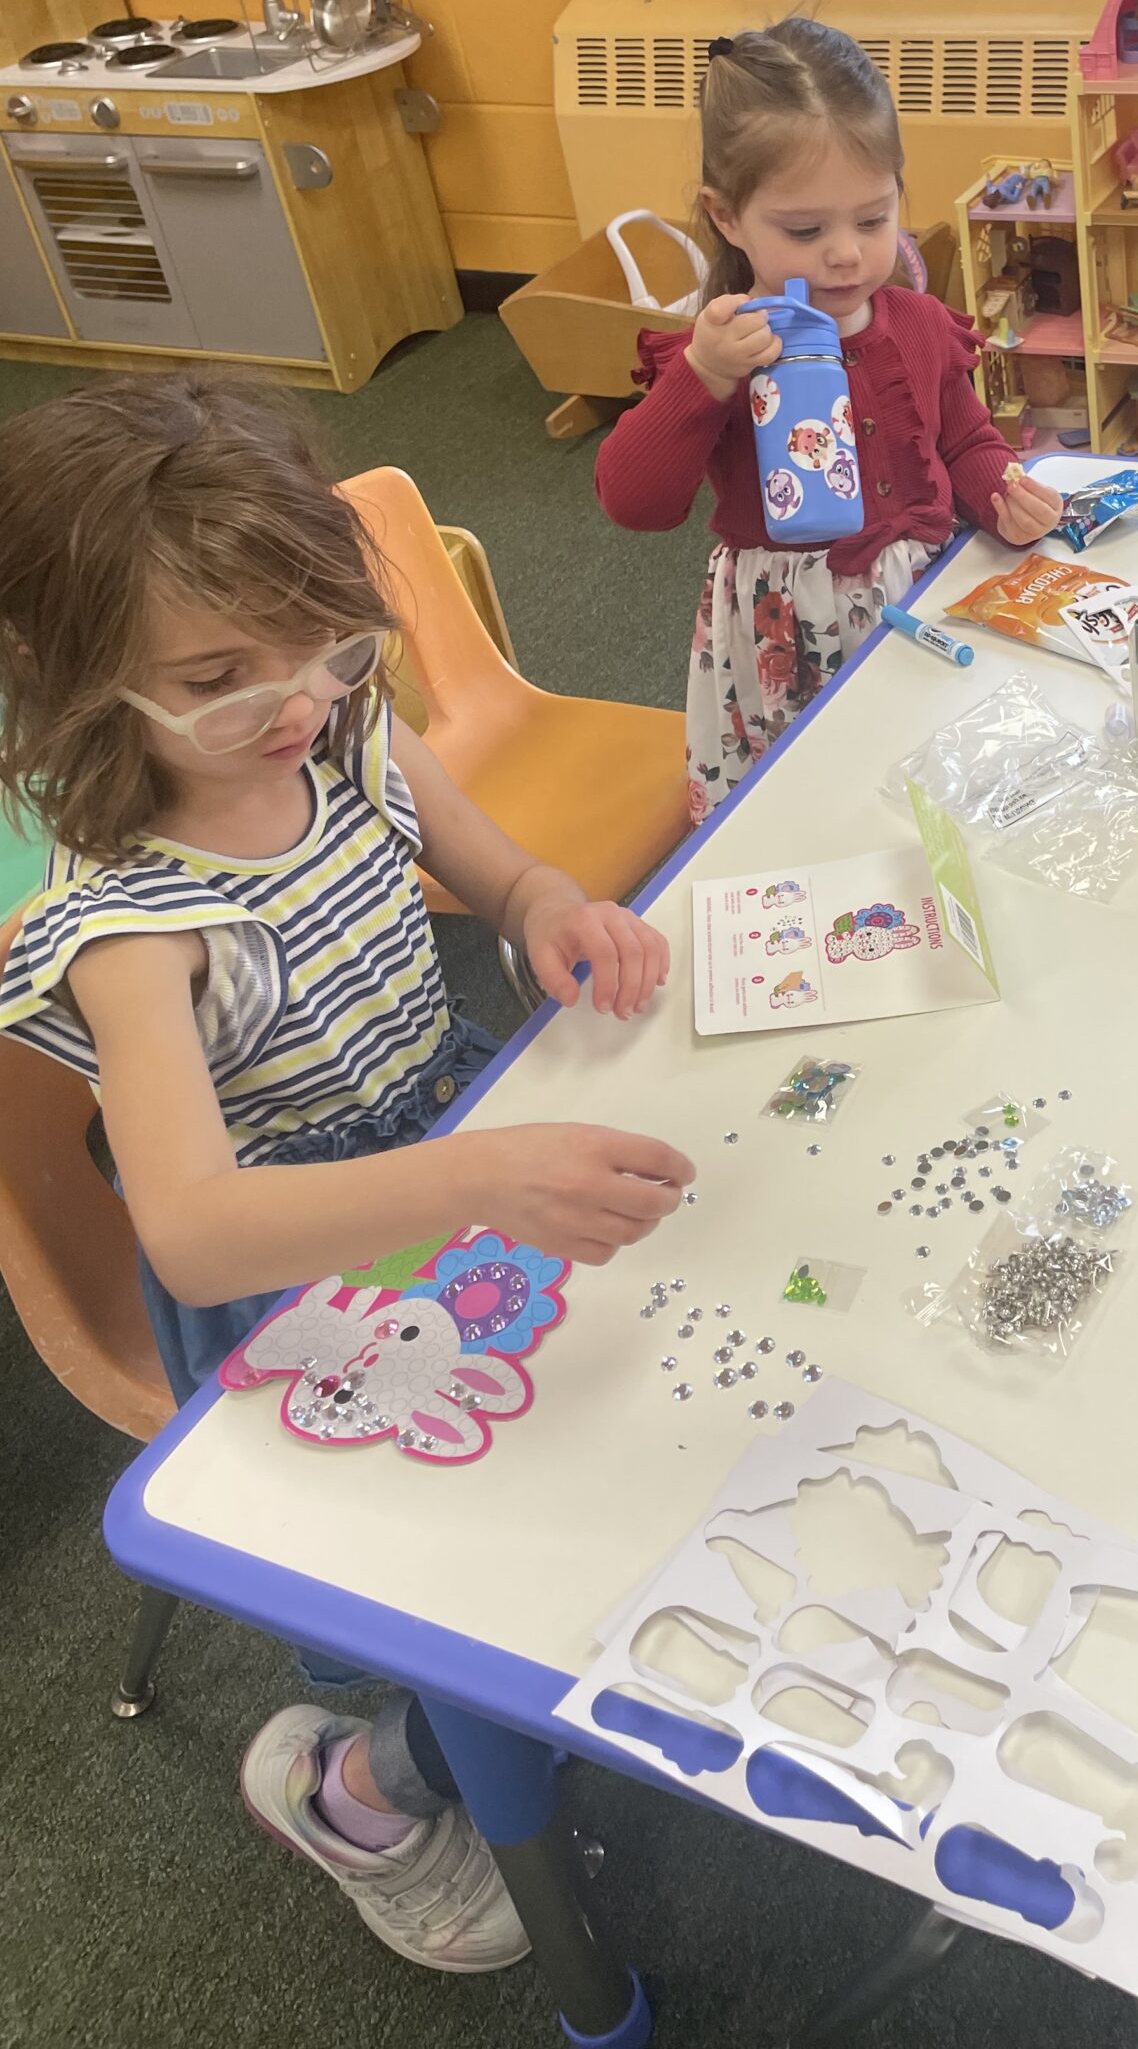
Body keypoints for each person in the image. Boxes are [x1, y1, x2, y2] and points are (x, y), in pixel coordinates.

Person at [0, 374, 694, 1968]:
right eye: (216, 677)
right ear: (72, 674)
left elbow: (495, 871)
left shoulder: (350, 731)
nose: (294, 699)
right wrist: (473, 1183)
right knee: (515, 1571)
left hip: (448, 1148)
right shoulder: (135, 928)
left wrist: (551, 912)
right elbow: (195, 1233)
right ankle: (357, 1786)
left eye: (322, 640)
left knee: (651, 1405)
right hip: (301, 1279)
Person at [594, 19, 1063, 818]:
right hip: (788, 632)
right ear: (727, 216)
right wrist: (702, 376)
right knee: (811, 810)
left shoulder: (917, 322)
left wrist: (1002, 494)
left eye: (873, 219)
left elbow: (963, 438)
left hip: (920, 596)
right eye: (806, 230)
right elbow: (633, 502)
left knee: (932, 790)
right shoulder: (725, 348)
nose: (846, 253)